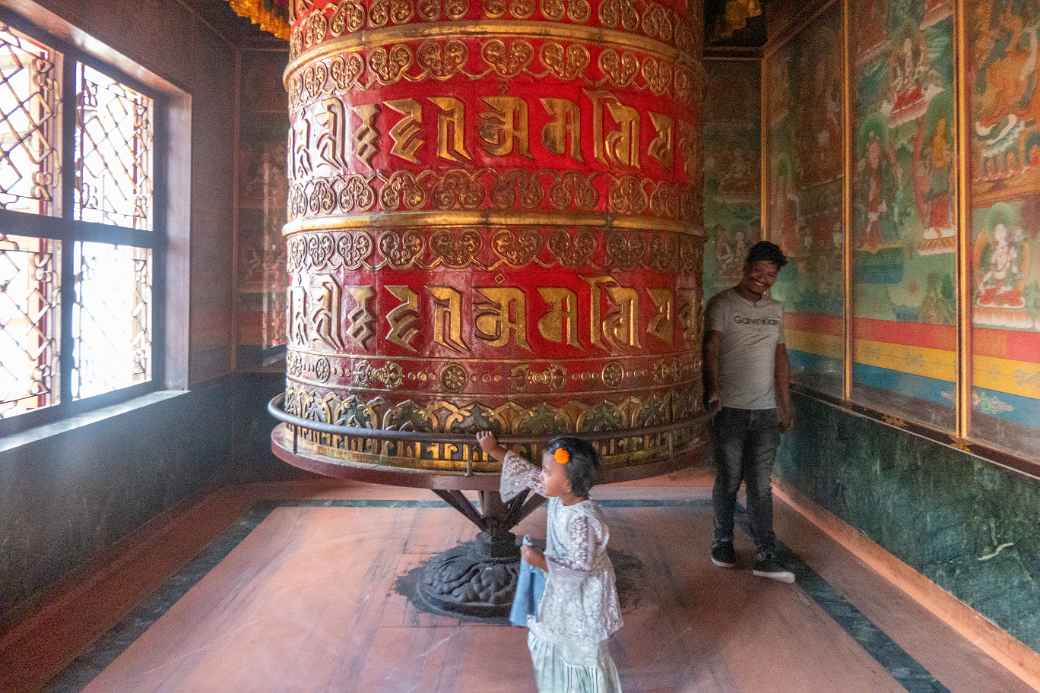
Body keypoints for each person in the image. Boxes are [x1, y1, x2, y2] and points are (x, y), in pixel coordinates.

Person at [476, 431, 624, 692]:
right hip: (562, 586)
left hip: (583, 595)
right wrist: (494, 450)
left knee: (582, 649)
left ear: (566, 483)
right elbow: (528, 474)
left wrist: (539, 560)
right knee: (556, 638)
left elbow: (581, 568)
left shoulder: (581, 520)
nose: (541, 475)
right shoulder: (560, 496)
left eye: (547, 471)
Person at [703, 240, 795, 583]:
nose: (763, 279)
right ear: (745, 268)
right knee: (728, 479)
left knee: (760, 484)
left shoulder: (776, 310)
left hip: (766, 410)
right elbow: (710, 347)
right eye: (758, 271)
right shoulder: (722, 304)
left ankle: (765, 552)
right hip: (730, 409)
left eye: (770, 275)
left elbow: (780, 357)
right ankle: (722, 541)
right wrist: (712, 389)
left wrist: (786, 403)